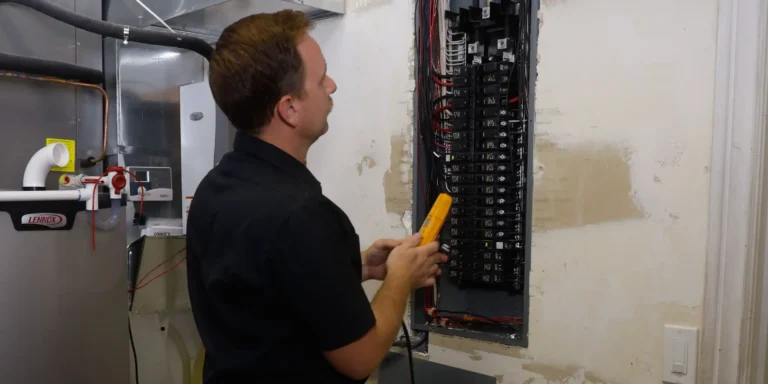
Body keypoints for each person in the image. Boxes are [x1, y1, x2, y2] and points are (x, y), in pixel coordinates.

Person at [185, 10, 446, 384]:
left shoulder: (214, 189)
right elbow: (360, 359)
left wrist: (354, 267)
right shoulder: (303, 215)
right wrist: (399, 281)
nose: (333, 86)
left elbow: (262, 286)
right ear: (289, 108)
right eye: (322, 79)